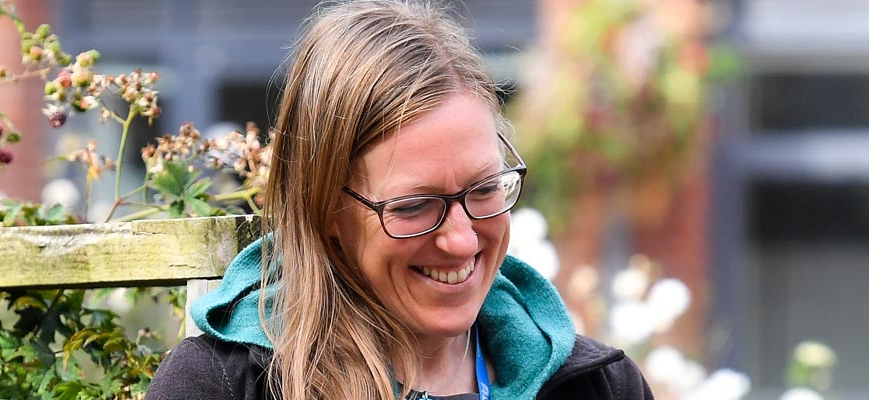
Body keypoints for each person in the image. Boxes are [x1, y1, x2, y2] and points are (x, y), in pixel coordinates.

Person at [144, 1, 653, 399]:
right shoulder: (220, 387)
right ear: (326, 213)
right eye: (413, 206)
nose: (460, 240)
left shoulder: (600, 387)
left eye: (484, 189)